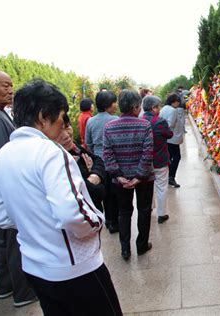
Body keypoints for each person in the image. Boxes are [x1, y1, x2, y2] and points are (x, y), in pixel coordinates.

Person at [0, 79, 122, 315]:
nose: (63, 126)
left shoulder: (1, 156)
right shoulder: (50, 152)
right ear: (43, 117)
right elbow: (72, 214)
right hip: (75, 268)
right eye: (61, 117)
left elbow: (0, 215)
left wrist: (35, 223)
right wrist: (97, 221)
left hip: (35, 267)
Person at [0, 68, 37, 308]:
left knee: (3, 242)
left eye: (11, 85)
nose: (10, 90)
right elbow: (5, 160)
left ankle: (6, 286)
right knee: (13, 242)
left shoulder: (0, 115)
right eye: (4, 85)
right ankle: (23, 293)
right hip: (7, 194)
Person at [103, 90, 154, 261]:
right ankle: (141, 245)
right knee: (144, 210)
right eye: (139, 106)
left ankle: (125, 249)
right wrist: (139, 176)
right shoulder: (144, 125)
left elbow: (107, 154)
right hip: (144, 179)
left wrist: (118, 176)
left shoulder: (109, 127)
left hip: (121, 181)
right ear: (134, 107)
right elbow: (148, 153)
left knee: (124, 213)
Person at [86, 91, 119, 233]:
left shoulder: (91, 121)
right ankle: (114, 223)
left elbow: (88, 142)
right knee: (115, 193)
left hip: (98, 164)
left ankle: (108, 219)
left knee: (105, 193)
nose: (116, 105)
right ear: (107, 105)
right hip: (113, 161)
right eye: (114, 102)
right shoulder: (115, 120)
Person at [56, 118, 105, 211]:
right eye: (58, 132)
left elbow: (98, 160)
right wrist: (92, 176)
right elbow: (97, 192)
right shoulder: (58, 162)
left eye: (67, 127)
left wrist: (94, 174)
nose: (66, 135)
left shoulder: (74, 148)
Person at [142, 96, 173, 224]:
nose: (159, 109)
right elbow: (169, 134)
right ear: (153, 108)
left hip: (145, 161)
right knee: (161, 186)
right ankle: (161, 214)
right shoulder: (159, 122)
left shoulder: (140, 120)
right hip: (159, 159)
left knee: (148, 186)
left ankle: (149, 207)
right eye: (158, 107)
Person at [160, 93, 184, 188]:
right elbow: (170, 124)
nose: (178, 104)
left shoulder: (164, 108)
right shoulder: (173, 110)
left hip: (166, 138)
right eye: (177, 102)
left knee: (169, 158)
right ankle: (171, 176)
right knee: (177, 157)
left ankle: (168, 176)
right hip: (172, 138)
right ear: (174, 101)